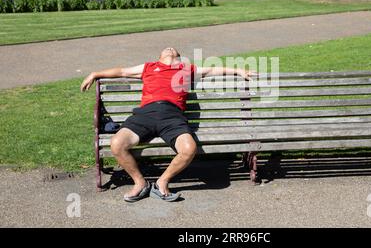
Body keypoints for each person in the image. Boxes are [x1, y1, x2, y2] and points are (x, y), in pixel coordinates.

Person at [80, 47, 254, 202]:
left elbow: (212, 70)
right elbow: (122, 71)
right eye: (167, 49)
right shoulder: (148, 67)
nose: (170, 48)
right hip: (145, 114)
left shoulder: (186, 69)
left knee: (188, 148)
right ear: (159, 56)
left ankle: (161, 183)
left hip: (172, 116)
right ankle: (140, 183)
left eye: (174, 50)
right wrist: (95, 74)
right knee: (117, 144)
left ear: (178, 57)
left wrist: (238, 70)